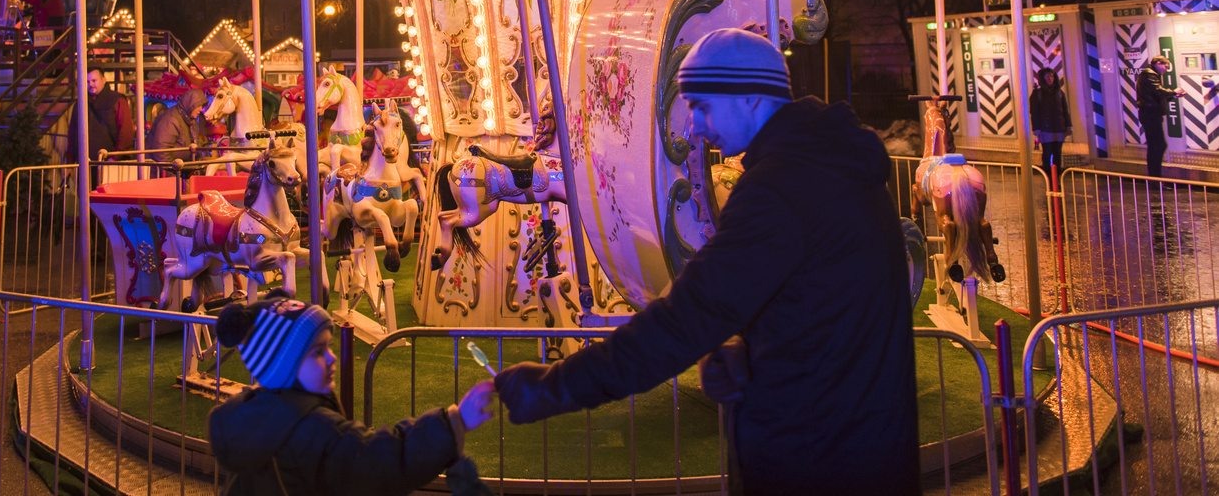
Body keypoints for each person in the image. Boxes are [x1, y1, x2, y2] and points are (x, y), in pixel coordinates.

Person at [493, 28, 919, 496]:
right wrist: (746, 346)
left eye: (702, 105)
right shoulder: (835, 167)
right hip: (863, 441)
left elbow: (688, 318)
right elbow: (820, 302)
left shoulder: (781, 187)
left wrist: (557, 386)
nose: (693, 125)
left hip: (818, 456)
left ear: (753, 99)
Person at [208, 296, 496, 495]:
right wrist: (452, 422)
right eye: (319, 353)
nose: (332, 359)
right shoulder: (310, 429)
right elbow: (378, 462)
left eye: (329, 347)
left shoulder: (252, 418)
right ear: (284, 369)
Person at [1135, 55, 1183, 178]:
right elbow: (1158, 91)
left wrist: (1173, 96)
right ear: (1158, 63)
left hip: (1150, 113)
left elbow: (1154, 96)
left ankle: (1155, 178)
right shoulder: (1150, 74)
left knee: (1155, 145)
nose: (1166, 70)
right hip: (1150, 114)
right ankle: (1155, 178)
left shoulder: (1149, 74)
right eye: (1165, 66)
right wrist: (1174, 92)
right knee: (1159, 145)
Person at [1029, 67, 1072, 183]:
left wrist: (1068, 126)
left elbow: (1065, 110)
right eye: (1047, 77)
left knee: (1058, 152)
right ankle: (1048, 174)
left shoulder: (1059, 93)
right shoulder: (1037, 94)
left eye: (1052, 76)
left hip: (1059, 128)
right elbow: (1034, 112)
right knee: (1047, 152)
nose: (1050, 79)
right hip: (1045, 129)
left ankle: (1057, 175)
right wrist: (1036, 128)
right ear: (1042, 78)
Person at [85, 69, 134, 155]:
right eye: (87, 81)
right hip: (86, 161)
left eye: (94, 80)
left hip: (110, 160)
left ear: (103, 80)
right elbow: (73, 133)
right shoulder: (81, 102)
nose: (91, 84)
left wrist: (115, 157)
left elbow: (126, 132)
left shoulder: (117, 100)